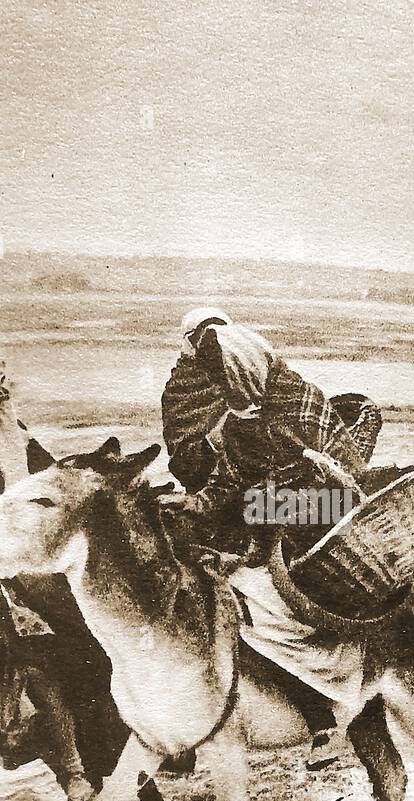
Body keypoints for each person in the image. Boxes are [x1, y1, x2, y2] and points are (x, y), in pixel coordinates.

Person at [160, 310, 381, 770]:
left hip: (325, 517)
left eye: (228, 379)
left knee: (254, 605)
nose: (225, 390)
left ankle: (321, 714)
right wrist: (198, 503)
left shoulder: (299, 404)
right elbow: (229, 479)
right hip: (271, 519)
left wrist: (261, 504)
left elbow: (343, 486)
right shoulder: (244, 418)